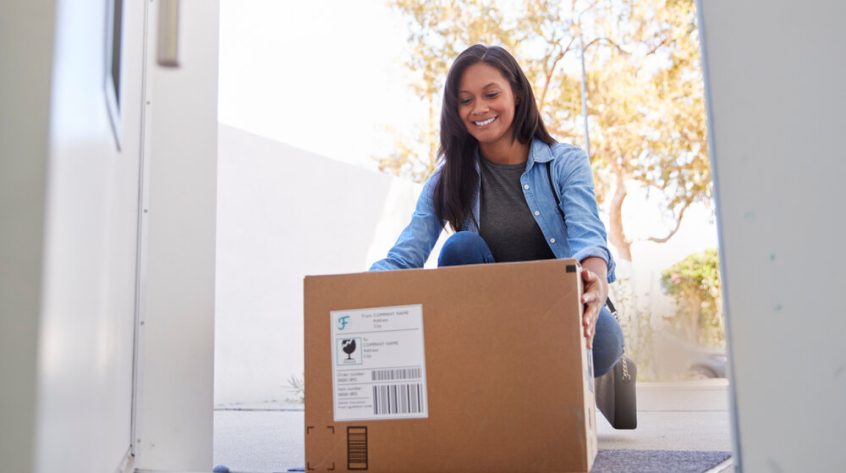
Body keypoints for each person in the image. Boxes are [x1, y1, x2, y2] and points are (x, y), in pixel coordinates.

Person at [370, 44, 623, 377]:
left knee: (604, 342)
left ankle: (566, 379)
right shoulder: (447, 178)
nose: (479, 108)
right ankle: (504, 379)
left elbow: (588, 239)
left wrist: (595, 286)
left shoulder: (564, 163)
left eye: (491, 94)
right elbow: (405, 257)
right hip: (490, 313)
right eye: (466, 100)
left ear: (516, 94)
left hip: (554, 304)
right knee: (461, 248)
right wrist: (350, 295)